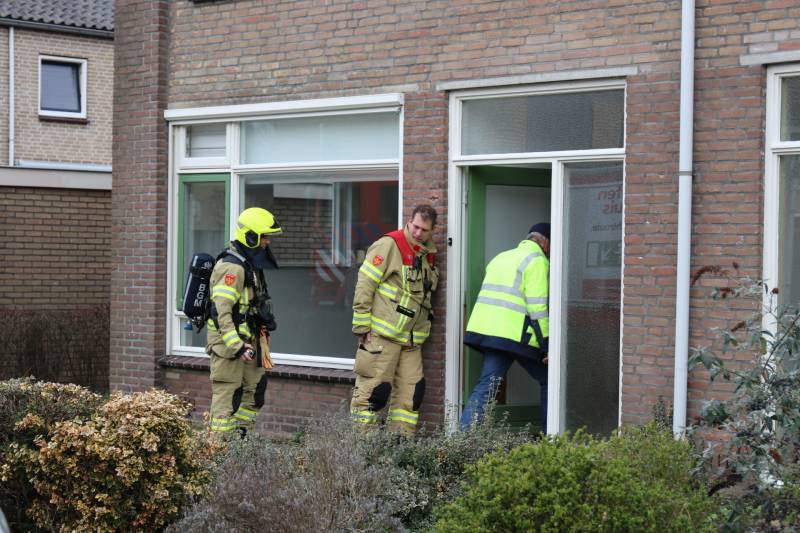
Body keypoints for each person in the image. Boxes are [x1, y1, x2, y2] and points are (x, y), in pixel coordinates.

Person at [350, 204, 439, 436]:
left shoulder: (428, 256)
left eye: (424, 230)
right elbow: (365, 283)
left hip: (411, 343)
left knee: (411, 396)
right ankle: (361, 454)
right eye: (415, 227)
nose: (418, 233)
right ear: (409, 222)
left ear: (432, 231)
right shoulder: (390, 244)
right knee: (372, 395)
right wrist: (361, 325)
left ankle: (399, 450)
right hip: (382, 337)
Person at [460, 222, 550, 431]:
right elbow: (538, 308)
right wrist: (547, 345)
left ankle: (459, 441)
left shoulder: (501, 257)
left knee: (487, 387)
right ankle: (551, 439)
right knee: (550, 380)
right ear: (545, 243)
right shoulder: (537, 261)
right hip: (515, 335)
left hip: (490, 333)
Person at [207, 207, 281, 438]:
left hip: (250, 342)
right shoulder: (232, 267)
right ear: (251, 236)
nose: (267, 242)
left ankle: (239, 445)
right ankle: (217, 453)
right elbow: (222, 312)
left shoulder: (250, 265)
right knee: (228, 399)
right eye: (264, 237)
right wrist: (236, 345)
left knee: (255, 392)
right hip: (230, 347)